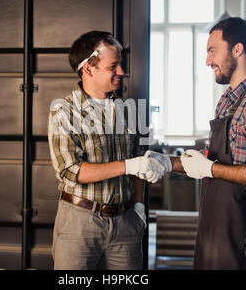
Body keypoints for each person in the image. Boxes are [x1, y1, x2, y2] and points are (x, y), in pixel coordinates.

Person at [148, 17, 246, 269]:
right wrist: (168, 163)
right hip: (216, 222)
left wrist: (209, 169)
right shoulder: (228, 100)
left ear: (238, 49)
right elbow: (218, 157)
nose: (207, 61)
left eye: (212, 51)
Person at [48, 31, 167, 270]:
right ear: (89, 69)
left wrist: (140, 207)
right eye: (114, 66)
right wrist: (128, 165)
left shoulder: (127, 109)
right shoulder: (64, 111)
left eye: (120, 64)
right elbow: (72, 170)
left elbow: (139, 162)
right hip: (79, 224)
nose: (121, 71)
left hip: (125, 223)